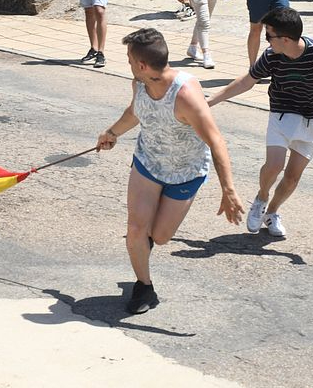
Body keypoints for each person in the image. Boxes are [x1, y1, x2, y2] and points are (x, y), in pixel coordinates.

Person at [96, 28, 243, 314]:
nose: (127, 63)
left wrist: (228, 189)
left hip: (184, 173)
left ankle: (143, 247)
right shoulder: (139, 84)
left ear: (142, 65)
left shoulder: (186, 95)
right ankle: (144, 286)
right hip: (147, 164)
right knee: (136, 229)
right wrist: (112, 132)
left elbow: (216, 141)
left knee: (160, 236)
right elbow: (135, 112)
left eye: (129, 59)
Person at [208, 7, 313, 237]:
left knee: (291, 177)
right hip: (282, 113)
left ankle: (272, 212)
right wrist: (208, 102)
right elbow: (246, 82)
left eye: (269, 35)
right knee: (274, 165)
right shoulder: (272, 56)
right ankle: (261, 198)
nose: (267, 41)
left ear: (286, 39)